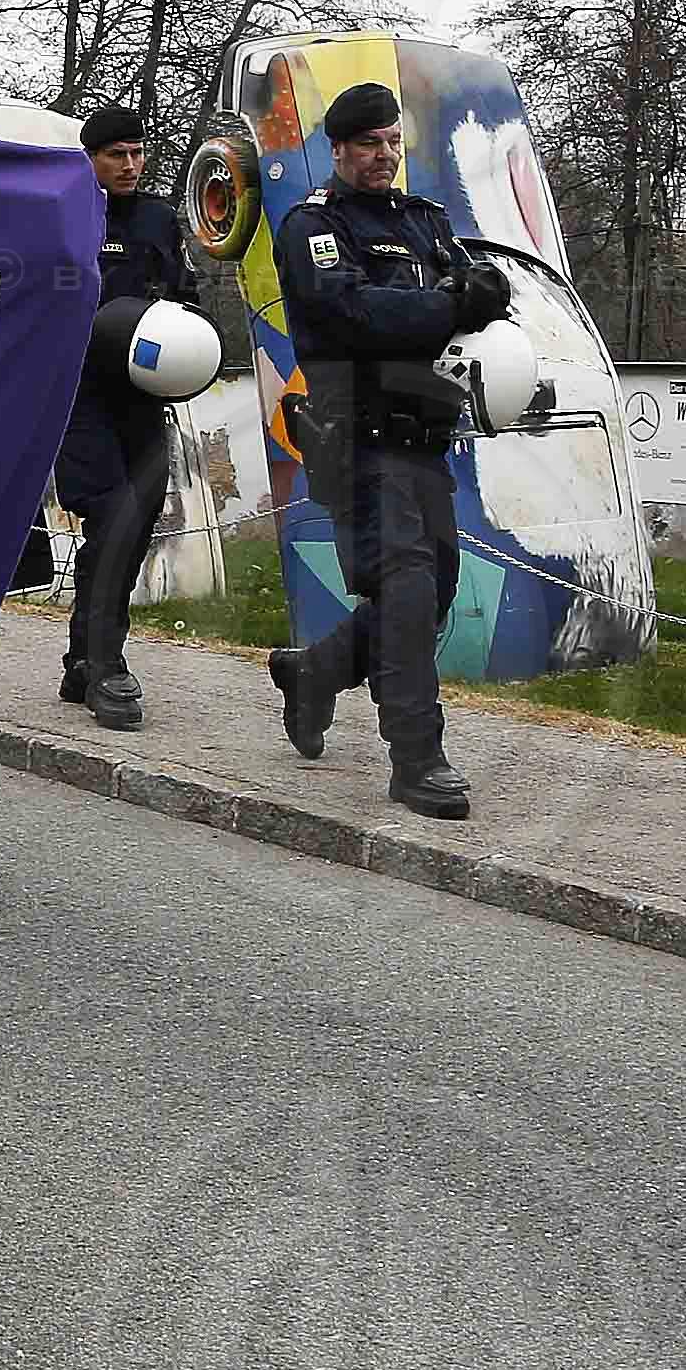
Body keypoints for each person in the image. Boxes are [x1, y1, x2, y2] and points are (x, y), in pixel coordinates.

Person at [261, 82, 494, 819]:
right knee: (404, 596)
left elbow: (481, 291)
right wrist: (456, 304)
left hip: (425, 439)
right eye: (368, 144)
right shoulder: (313, 227)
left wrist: (472, 295)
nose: (384, 155)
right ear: (338, 149)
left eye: (393, 141)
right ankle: (417, 760)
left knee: (432, 598)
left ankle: (314, 675)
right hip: (359, 440)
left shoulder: (426, 221)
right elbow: (353, 312)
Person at [54, 104, 206, 735]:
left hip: (144, 392)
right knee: (110, 515)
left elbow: (183, 294)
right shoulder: (64, 215)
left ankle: (80, 656)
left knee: (133, 525)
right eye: (116, 154)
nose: (130, 165)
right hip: (77, 394)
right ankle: (105, 663)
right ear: (90, 159)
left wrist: (187, 329)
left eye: (138, 153)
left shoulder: (158, 221)